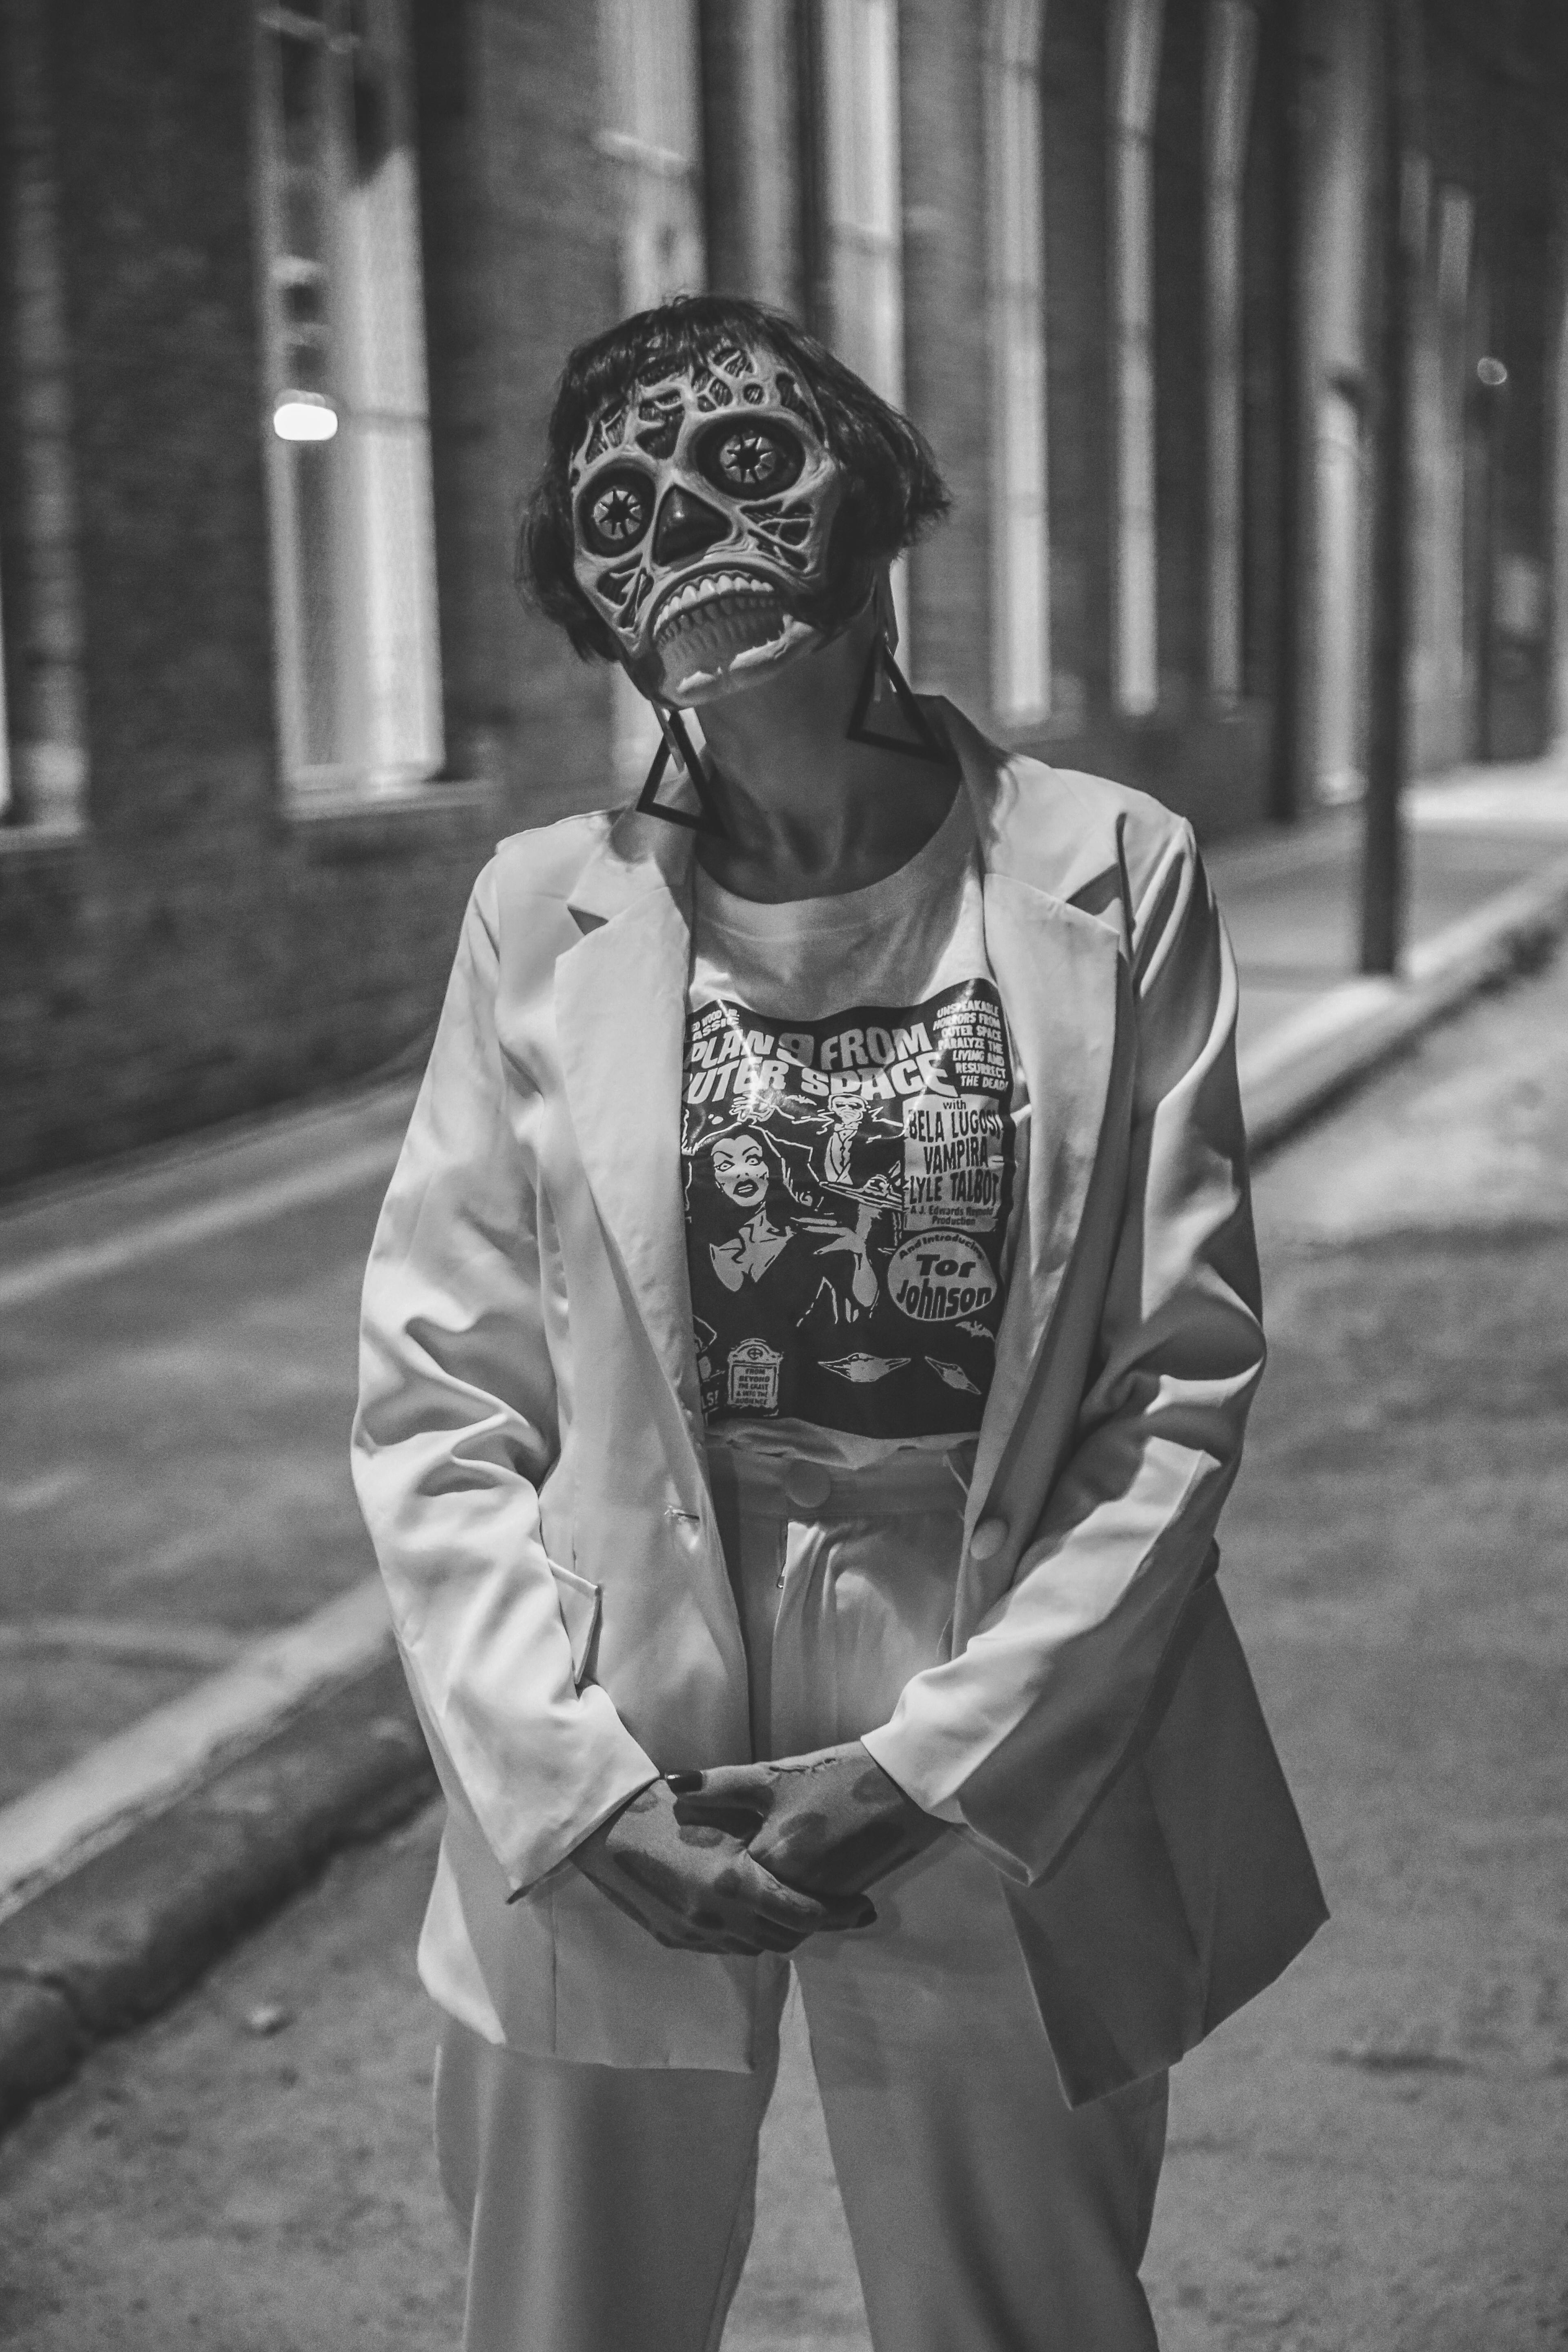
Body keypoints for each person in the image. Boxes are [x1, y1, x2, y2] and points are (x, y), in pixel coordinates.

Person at [352, 294, 1327, 2352]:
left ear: (874, 498)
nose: (687, 534)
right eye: (621, 511)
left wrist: (936, 1767)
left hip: (995, 1684)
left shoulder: (1111, 870)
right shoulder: (537, 910)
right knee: (570, 2314)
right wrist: (573, 1788)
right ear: (587, 599)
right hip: (620, 1689)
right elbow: (440, 1395)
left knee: (1019, 2310)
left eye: (745, 465)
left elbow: (1175, 1383)